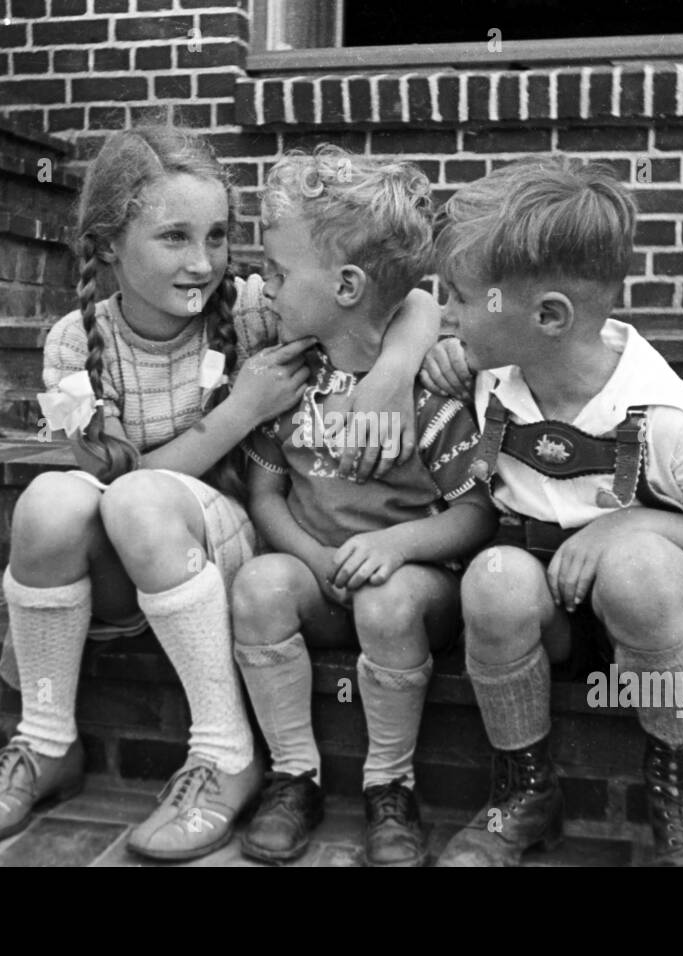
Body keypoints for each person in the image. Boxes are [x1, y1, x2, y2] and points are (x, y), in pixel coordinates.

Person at [0, 124, 440, 861]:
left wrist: (395, 374)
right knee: (49, 500)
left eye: (216, 236)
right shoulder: (73, 346)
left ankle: (224, 751)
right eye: (173, 237)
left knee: (137, 503)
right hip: (129, 564)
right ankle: (45, 739)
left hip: (235, 557)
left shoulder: (251, 306)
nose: (203, 262)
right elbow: (115, 484)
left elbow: (408, 298)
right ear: (109, 243)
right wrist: (243, 410)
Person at [420, 156, 683, 866]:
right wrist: (443, 355)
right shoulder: (494, 377)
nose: (446, 313)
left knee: (639, 567)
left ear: (549, 316)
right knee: (491, 575)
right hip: (549, 609)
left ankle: (678, 776)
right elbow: (428, 338)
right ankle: (525, 791)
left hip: (652, 621)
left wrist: (630, 521)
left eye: (459, 298)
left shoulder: (676, 416)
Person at [231, 146, 498, 867]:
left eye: (282, 274)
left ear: (346, 285)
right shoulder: (288, 379)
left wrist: (397, 548)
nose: (267, 288)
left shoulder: (429, 392)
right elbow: (265, 493)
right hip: (319, 574)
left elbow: (477, 514)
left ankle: (390, 783)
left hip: (414, 587)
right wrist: (313, 558)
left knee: (386, 602)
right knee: (256, 585)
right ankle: (294, 774)